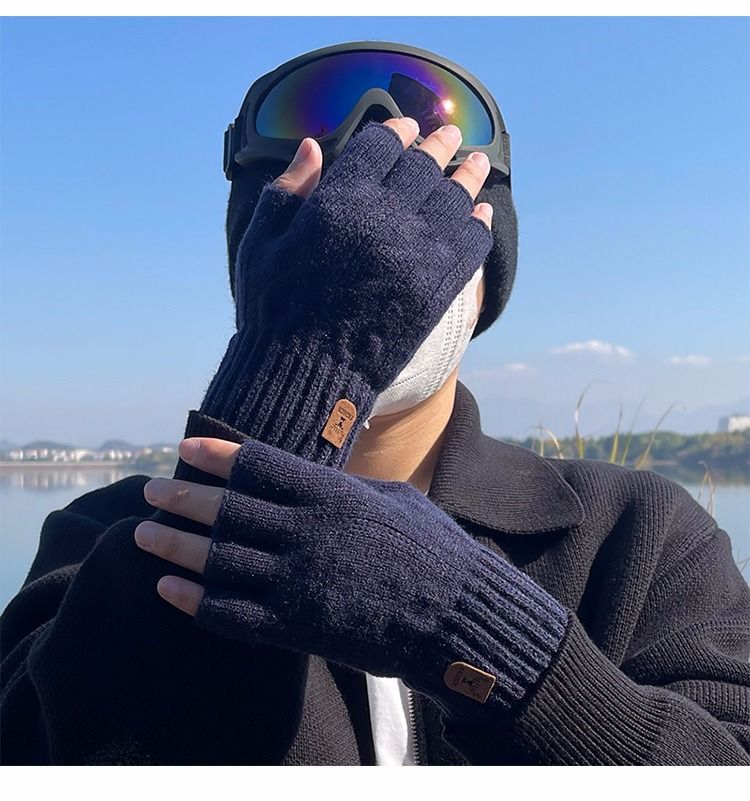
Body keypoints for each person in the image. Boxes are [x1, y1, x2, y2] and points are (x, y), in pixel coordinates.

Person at [1, 41, 748, 767]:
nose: (375, 287)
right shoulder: (103, 538)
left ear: (486, 279)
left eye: (420, 248)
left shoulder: (639, 534)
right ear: (258, 270)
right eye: (325, 255)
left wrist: (472, 628)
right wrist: (300, 371)